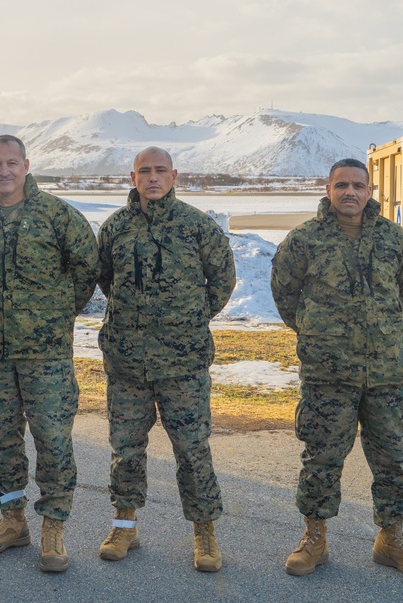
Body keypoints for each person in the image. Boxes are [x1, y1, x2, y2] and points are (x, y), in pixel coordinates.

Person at [271, 158, 403, 579]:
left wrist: (378, 331)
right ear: (327, 190)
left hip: (388, 373)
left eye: (357, 185)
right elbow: (285, 294)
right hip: (330, 374)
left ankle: (391, 541)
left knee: (394, 459)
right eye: (341, 185)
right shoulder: (304, 240)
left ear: (369, 191)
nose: (350, 192)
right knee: (322, 458)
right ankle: (314, 539)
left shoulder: (394, 240)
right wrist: (316, 331)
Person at [0, 135, 98, 573]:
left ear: (26, 165)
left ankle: (53, 526)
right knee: (1, 441)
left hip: (46, 355)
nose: (4, 171)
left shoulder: (56, 215)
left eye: (12, 163)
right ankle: (12, 520)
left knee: (53, 441)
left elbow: (87, 267)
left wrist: (54, 313)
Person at [96, 146, 235, 572]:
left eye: (161, 171)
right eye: (144, 171)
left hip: (183, 364)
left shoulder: (197, 227)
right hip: (128, 364)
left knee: (192, 449)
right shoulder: (115, 228)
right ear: (132, 177)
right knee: (125, 450)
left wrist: (190, 320)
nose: (153, 178)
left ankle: (204, 532)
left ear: (174, 175)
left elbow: (223, 279)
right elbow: (105, 279)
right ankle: (124, 526)